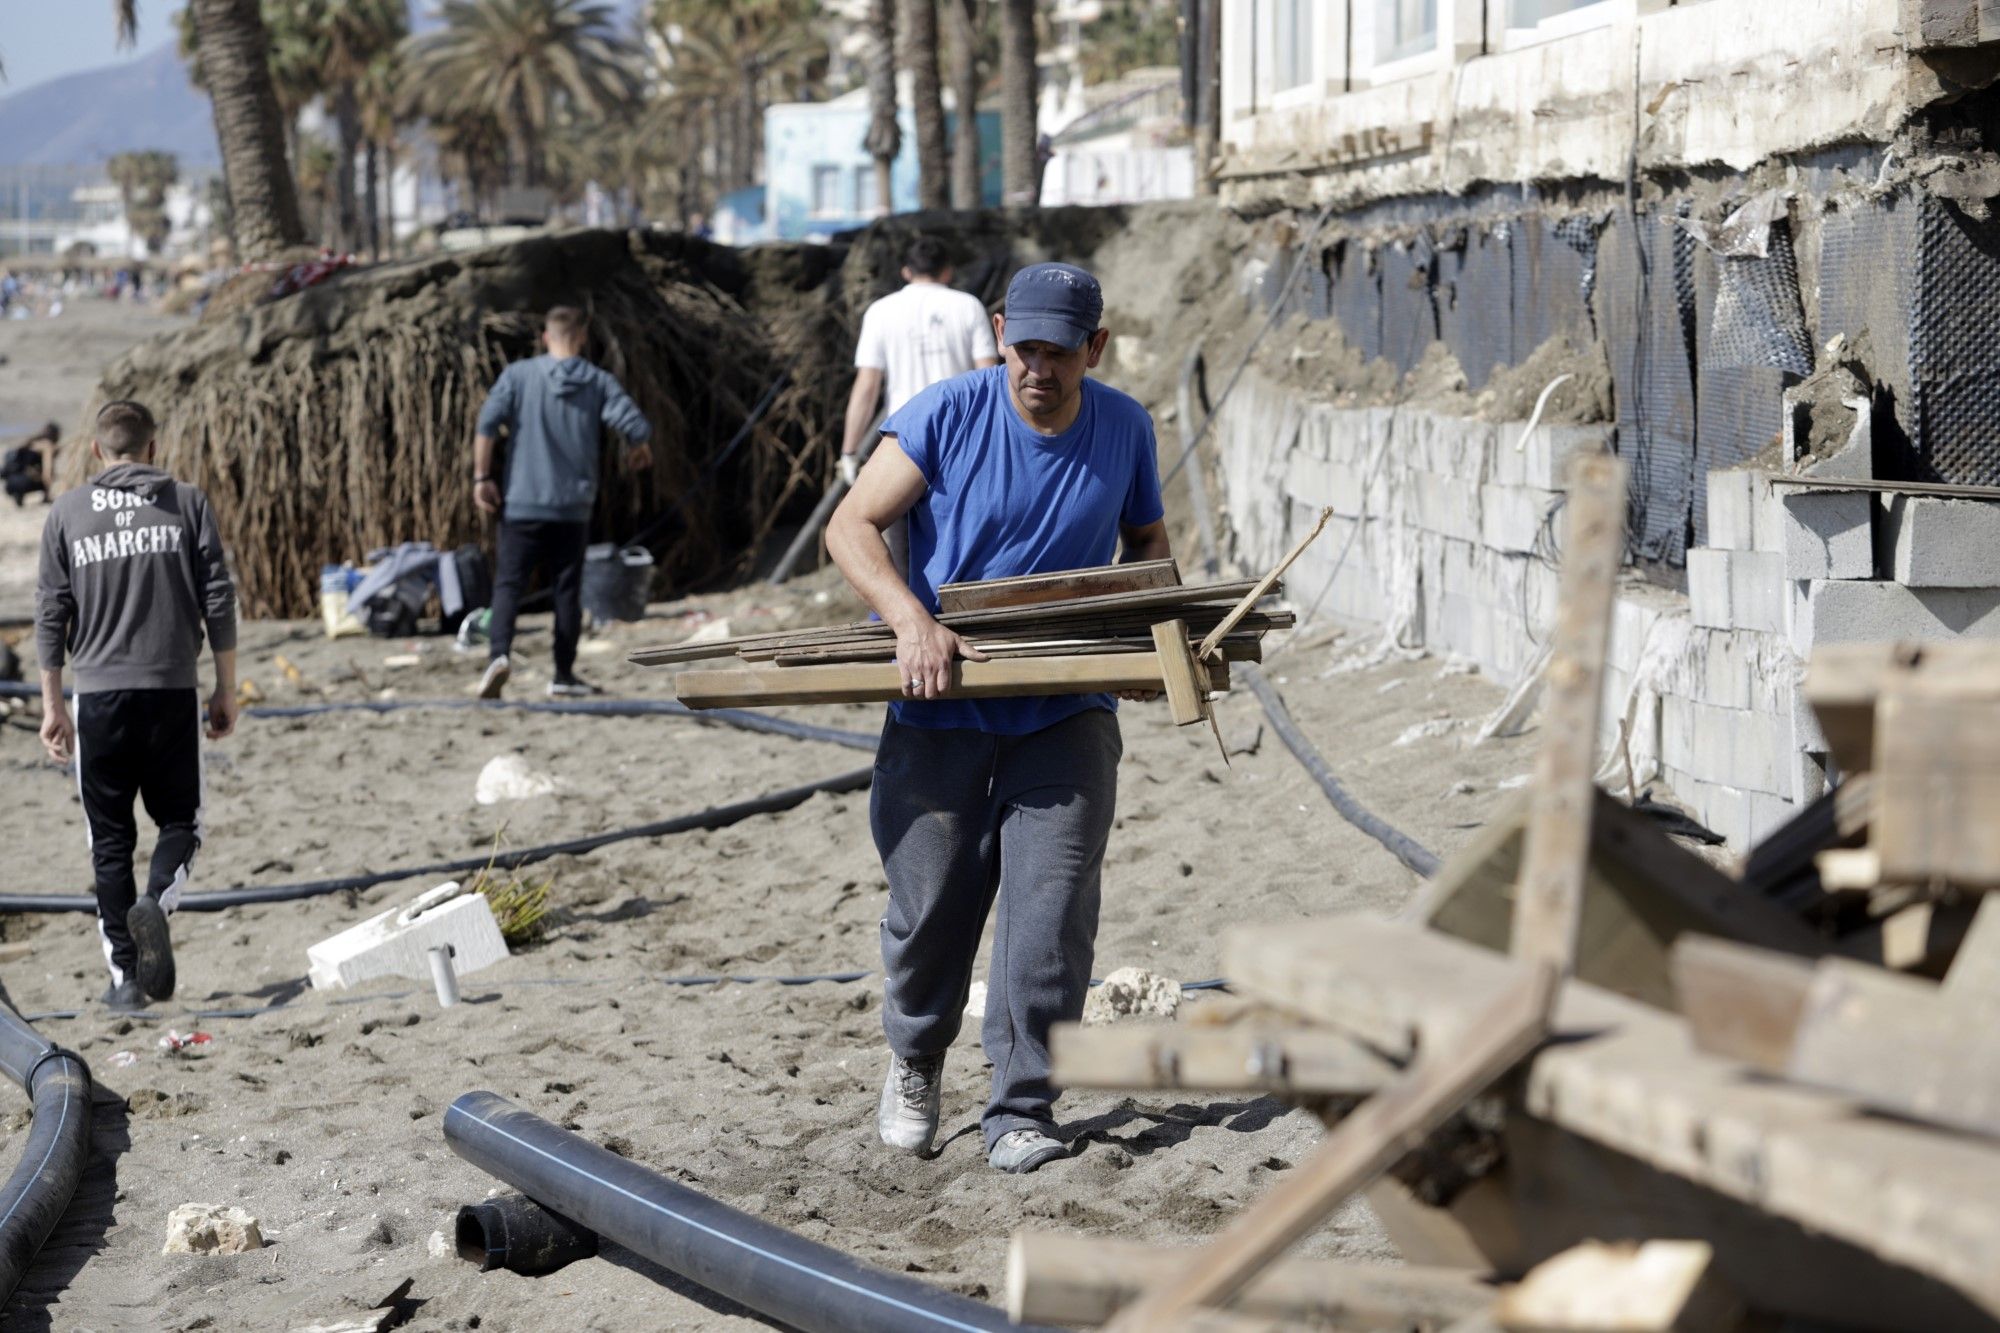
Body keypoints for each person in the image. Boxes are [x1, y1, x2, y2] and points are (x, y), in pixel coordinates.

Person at [826, 262, 1171, 1175]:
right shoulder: (945, 414)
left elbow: (1147, 545)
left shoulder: (1125, 428)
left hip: (1066, 708)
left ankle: (1022, 1106)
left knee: (1049, 916)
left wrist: (1146, 639)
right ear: (999, 331)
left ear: (1097, 347)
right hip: (940, 703)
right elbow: (851, 526)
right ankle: (915, 1056)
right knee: (930, 906)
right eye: (1025, 347)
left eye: (1062, 353)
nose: (1040, 369)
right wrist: (912, 621)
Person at [35, 400, 238, 1011]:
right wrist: (225, 688)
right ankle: (158, 901)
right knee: (182, 823)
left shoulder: (67, 512)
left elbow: (51, 614)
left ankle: (126, 978)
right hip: (173, 689)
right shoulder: (186, 502)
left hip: (98, 697)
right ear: (153, 448)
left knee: (109, 839)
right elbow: (219, 600)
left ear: (97, 451)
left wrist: (52, 706)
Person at [472, 306, 653, 699]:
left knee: (508, 585)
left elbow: (487, 424)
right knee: (567, 590)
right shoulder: (597, 382)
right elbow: (634, 424)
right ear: (583, 337)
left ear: (545, 337)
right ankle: (564, 675)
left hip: (522, 501)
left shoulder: (518, 376)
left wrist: (482, 477)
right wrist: (639, 448)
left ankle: (499, 657)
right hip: (573, 506)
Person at [3, 422, 57, 506]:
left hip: (10, 483)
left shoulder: (30, 442)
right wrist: (49, 489)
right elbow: (47, 471)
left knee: (29, 473)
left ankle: (19, 495)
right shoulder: (47, 445)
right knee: (49, 475)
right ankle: (46, 497)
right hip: (25, 481)